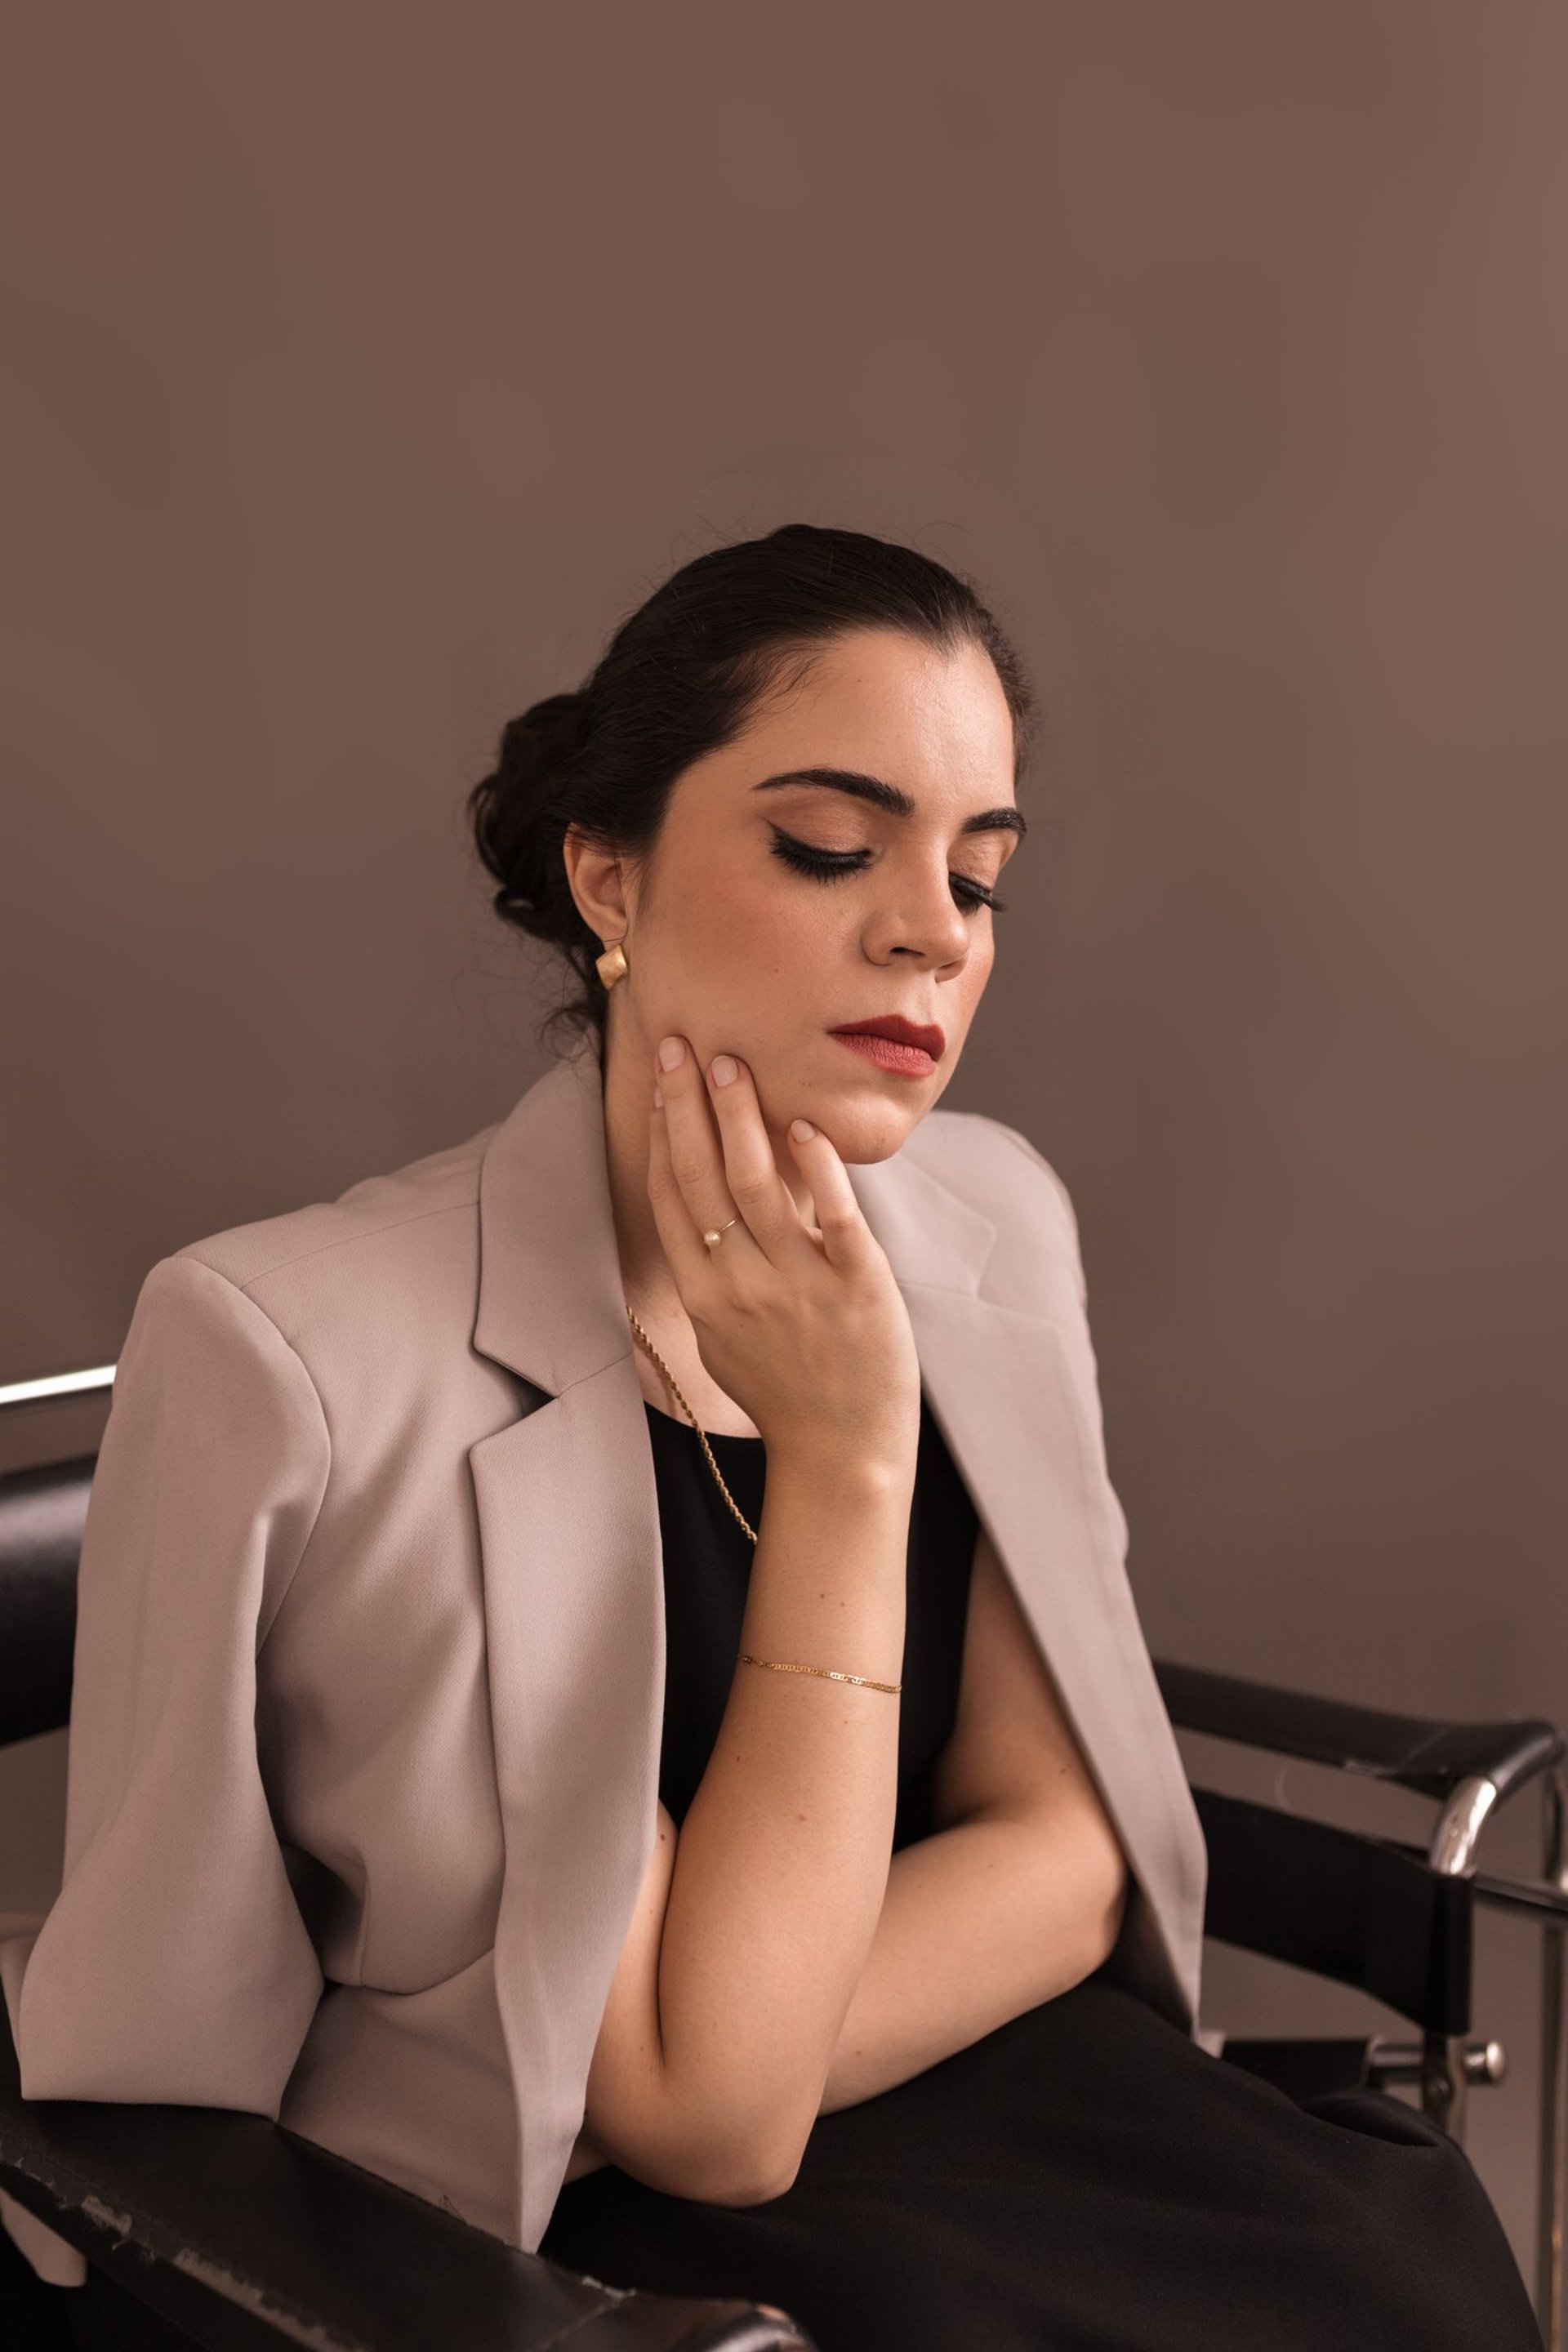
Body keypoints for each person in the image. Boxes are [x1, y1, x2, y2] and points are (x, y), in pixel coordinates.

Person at [2, 524, 1540, 2350]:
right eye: (829, 847)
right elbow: (700, 2128)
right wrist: (849, 1457)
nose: (928, 933)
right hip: (555, 2233)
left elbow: (1071, 1850)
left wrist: (781, 2020)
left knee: (1387, 2258)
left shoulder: (991, 1220)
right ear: (610, 878)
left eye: (981, 877)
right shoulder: (303, 1357)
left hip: (987, 2092)